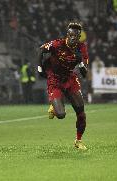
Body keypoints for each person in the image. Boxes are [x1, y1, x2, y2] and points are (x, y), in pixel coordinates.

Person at [37, 22, 89, 150]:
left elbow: (85, 73)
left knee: (81, 112)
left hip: (70, 79)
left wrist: (80, 62)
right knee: (61, 115)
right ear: (67, 35)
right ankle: (55, 106)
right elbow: (42, 50)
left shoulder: (81, 48)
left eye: (76, 36)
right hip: (54, 79)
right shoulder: (57, 44)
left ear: (79, 37)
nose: (73, 38)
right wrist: (39, 67)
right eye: (71, 35)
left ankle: (78, 140)